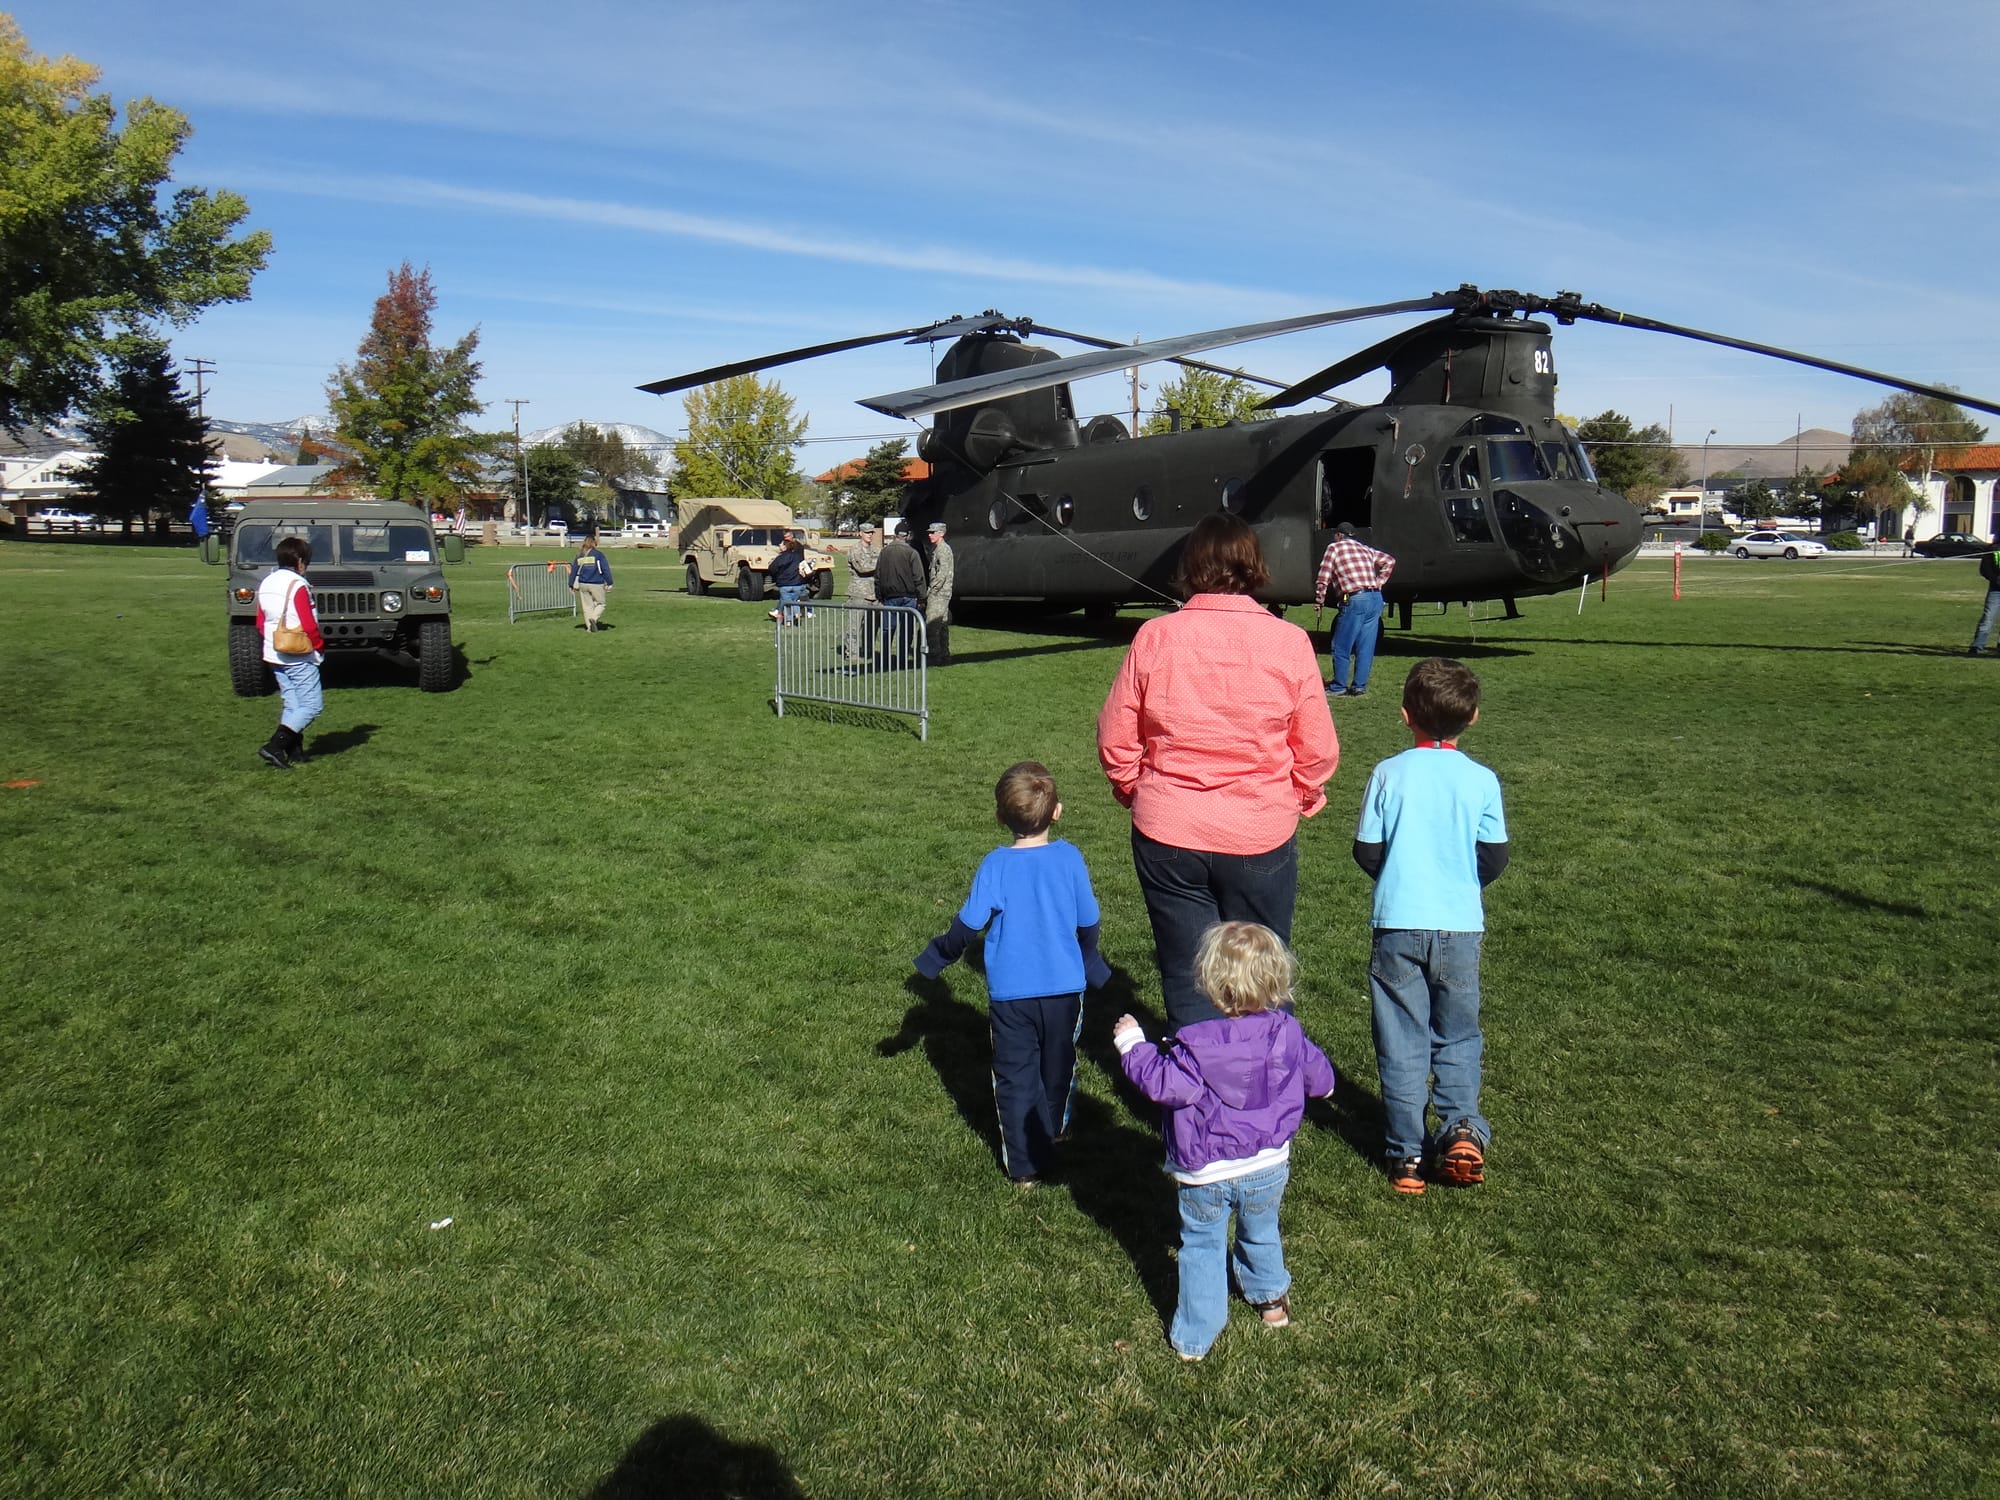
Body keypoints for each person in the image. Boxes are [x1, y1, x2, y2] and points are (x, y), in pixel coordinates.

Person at [1097, 512, 1338, 1031]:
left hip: (1173, 828)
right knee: (1262, 968)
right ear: (1253, 566)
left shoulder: (1157, 637)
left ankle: (1198, 1095)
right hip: (1255, 827)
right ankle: (1263, 1089)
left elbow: (1116, 735)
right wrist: (1302, 792)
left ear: (1192, 567)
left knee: (1188, 971)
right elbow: (1316, 747)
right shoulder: (1287, 642)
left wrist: (1134, 787)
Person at [1114, 922, 1335, 1361]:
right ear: (1276, 980)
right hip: (1269, 1162)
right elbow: (1322, 1082)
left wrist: (1131, 1044)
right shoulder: (1289, 1033)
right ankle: (1271, 1301)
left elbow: (1161, 1082)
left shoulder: (1194, 1047)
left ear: (1212, 987)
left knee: (1201, 1245)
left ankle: (1196, 1337)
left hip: (1206, 1170)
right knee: (1261, 1229)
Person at [1353, 657, 1509, 1196]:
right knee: (1458, 1032)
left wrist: (1399, 877)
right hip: (1461, 926)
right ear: (1473, 718)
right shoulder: (1482, 780)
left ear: (1405, 716)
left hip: (1397, 922)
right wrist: (1457, 883)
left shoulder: (1388, 773)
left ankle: (1406, 1157)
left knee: (1401, 1038)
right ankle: (1462, 1130)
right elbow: (1493, 856)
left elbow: (1367, 850)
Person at [914, 761, 1112, 1186]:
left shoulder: (996, 865)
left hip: (1011, 998)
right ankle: (1054, 1132)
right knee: (1058, 1064)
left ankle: (1024, 1166)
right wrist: (1090, 960)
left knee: (1016, 1075)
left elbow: (967, 926)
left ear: (1000, 816)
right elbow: (1089, 921)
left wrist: (938, 955)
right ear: (1057, 811)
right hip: (1064, 992)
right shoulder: (1069, 858)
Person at [254, 534, 326, 770]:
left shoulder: (267, 582)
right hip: (298, 652)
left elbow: (260, 621)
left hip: (274, 652)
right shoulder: (298, 585)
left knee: (292, 703)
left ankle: (293, 750)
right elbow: (308, 622)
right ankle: (276, 744)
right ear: (301, 561)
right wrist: (319, 647)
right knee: (312, 705)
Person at [1314, 521, 1396, 697]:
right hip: (1375, 598)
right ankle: (1359, 686)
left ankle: (1339, 686)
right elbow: (1389, 561)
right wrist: (1379, 582)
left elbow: (1324, 575)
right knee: (1365, 645)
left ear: (1338, 535)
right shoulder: (1365, 549)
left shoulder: (1334, 548)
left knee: (1341, 644)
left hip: (1354, 597)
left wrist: (1319, 598)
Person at [873, 525, 927, 666]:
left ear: (895, 535)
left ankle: (885, 660)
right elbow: (918, 577)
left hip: (889, 597)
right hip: (908, 598)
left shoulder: (884, 552)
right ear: (907, 536)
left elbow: (877, 577)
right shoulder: (912, 553)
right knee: (906, 630)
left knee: (887, 630)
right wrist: (922, 598)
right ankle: (901, 660)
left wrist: (879, 597)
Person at [844, 522, 882, 665]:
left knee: (872, 626)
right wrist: (879, 565)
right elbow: (862, 568)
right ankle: (852, 653)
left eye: (871, 532)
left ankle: (868, 651)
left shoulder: (876, 550)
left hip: (874, 593)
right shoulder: (855, 549)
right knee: (855, 625)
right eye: (867, 533)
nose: (870, 535)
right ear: (860, 533)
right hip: (858, 592)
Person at [924, 520, 955, 666]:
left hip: (939, 594)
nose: (930, 535)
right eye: (929, 533)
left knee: (932, 625)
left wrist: (932, 591)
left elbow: (942, 574)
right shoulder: (938, 549)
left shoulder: (943, 550)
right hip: (942, 592)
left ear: (941, 533)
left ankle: (934, 656)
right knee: (942, 626)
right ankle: (944, 656)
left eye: (933, 533)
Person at [568, 533, 613, 632]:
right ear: (594, 543)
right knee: (601, 603)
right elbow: (605, 569)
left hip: (583, 584)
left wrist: (570, 584)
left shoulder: (579, 555)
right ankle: (594, 618)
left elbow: (574, 570)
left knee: (587, 607)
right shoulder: (598, 555)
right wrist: (609, 582)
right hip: (596, 583)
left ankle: (589, 628)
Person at [766, 533, 809, 625]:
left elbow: (772, 568)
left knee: (787, 603)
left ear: (785, 547)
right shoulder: (798, 556)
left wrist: (777, 575)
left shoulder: (781, 558)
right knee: (794, 600)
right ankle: (796, 614)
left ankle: (789, 620)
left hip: (785, 584)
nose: (779, 546)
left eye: (781, 544)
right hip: (797, 583)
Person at [1970, 538, 2000, 656]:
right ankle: (1978, 645)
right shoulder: (1993, 549)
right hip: (1996, 589)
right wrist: (1996, 580)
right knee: (1988, 617)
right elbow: (1984, 569)